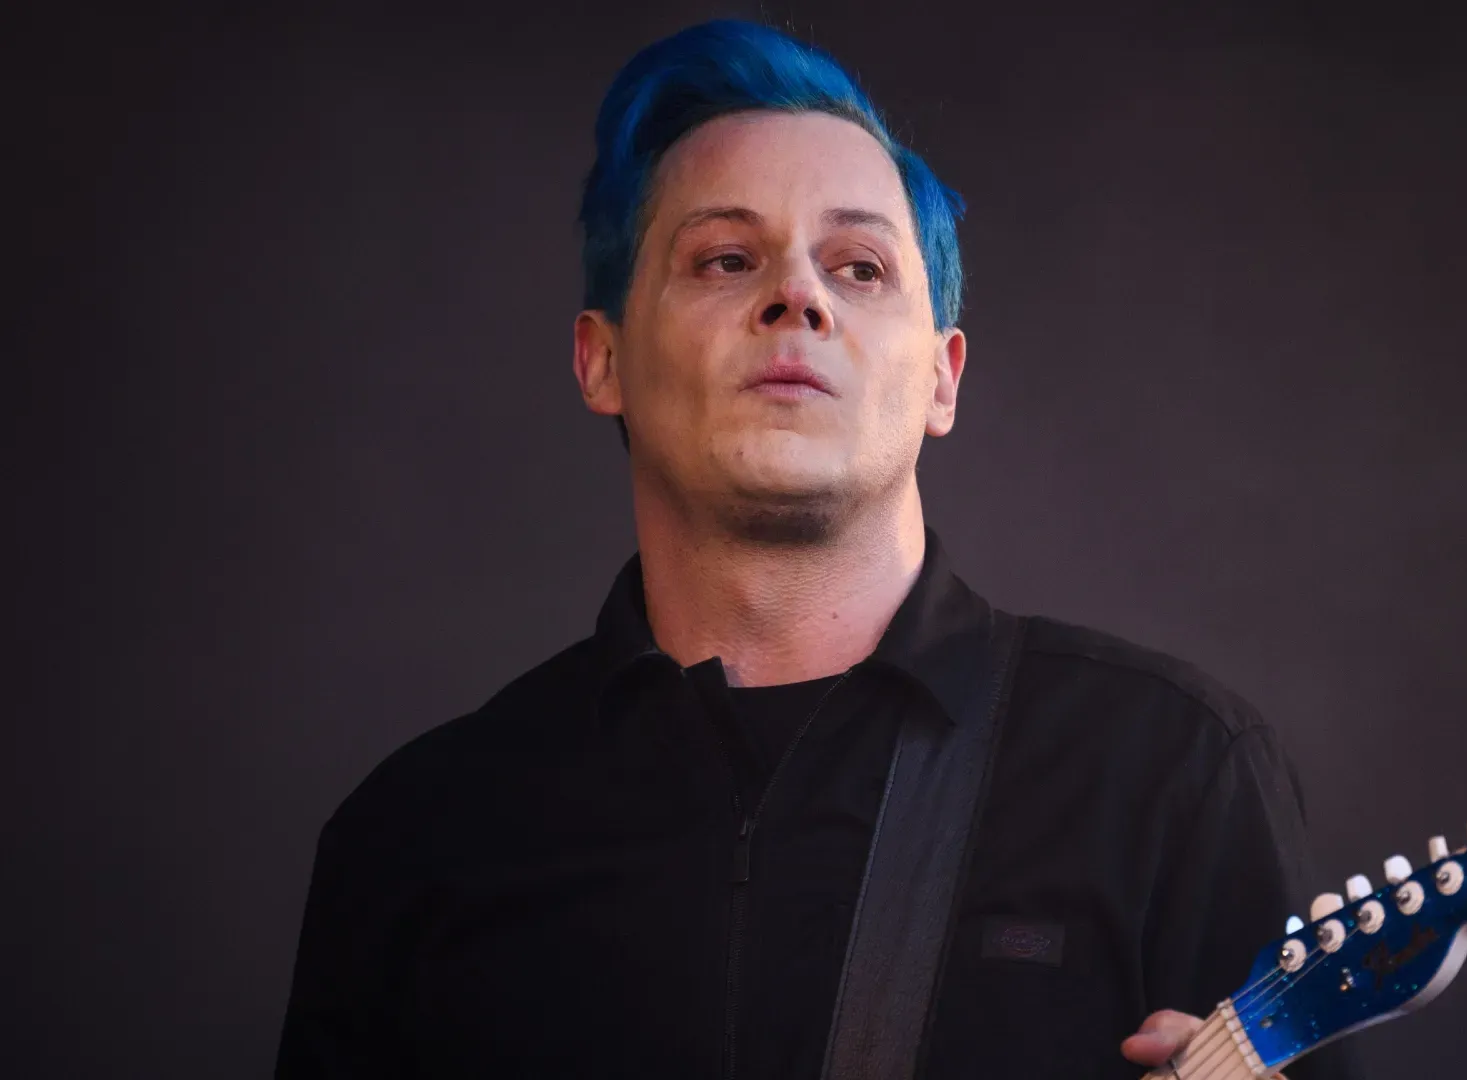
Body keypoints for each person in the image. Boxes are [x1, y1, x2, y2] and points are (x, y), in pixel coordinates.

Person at [276, 19, 1355, 1080]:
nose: (797, 295)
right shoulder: (416, 839)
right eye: (726, 258)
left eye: (861, 267)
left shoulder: (1170, 771)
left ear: (943, 377)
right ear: (601, 359)